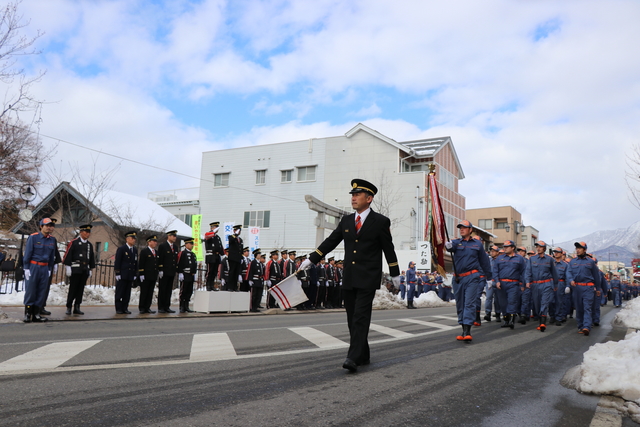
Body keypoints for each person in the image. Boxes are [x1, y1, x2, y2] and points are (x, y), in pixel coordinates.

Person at [300, 179, 400, 372]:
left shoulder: (380, 221)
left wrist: (395, 273)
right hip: (350, 277)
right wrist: (312, 259)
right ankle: (363, 354)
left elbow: (389, 249)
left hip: (368, 278)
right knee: (351, 318)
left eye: (357, 195)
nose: (353, 198)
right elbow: (331, 241)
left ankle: (352, 357)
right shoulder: (346, 220)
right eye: (352, 195)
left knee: (360, 317)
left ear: (369, 198)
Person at [445, 220, 492, 342]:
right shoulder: (456, 243)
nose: (461, 229)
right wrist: (447, 246)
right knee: (460, 304)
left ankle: (467, 330)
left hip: (472, 277)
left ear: (470, 229)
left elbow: (484, 262)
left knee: (469, 303)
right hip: (458, 278)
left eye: (464, 227)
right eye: (460, 227)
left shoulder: (477, 244)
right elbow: (449, 248)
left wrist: (489, 277)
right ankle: (463, 327)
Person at [22, 218, 59, 323]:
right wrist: (26, 268)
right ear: (41, 226)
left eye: (51, 225)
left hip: (45, 267)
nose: (49, 227)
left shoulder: (52, 239)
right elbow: (28, 253)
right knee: (31, 290)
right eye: (47, 225)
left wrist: (51, 267)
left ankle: (36, 314)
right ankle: (28, 313)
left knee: (42, 291)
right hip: (34, 266)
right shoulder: (33, 237)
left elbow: (52, 255)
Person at [566, 242, 601, 336]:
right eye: (576, 248)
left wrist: (598, 288)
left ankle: (587, 327)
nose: (577, 249)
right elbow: (568, 273)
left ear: (585, 250)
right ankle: (581, 326)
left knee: (587, 307)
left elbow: (596, 276)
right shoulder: (572, 261)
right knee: (579, 308)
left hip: (588, 287)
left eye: (580, 248)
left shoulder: (590, 262)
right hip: (577, 287)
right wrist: (570, 280)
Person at [525, 241, 558, 332]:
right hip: (535, 284)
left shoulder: (549, 259)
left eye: (540, 247)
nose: (538, 248)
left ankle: (543, 323)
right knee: (537, 304)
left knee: (544, 302)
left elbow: (554, 273)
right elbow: (528, 271)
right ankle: (540, 321)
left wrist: (555, 284)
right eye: (537, 247)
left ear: (544, 248)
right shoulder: (532, 259)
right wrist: (527, 281)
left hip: (546, 284)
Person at [63, 224, 96, 315]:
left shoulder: (89, 245)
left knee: (80, 289)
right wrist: (68, 267)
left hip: (84, 269)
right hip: (75, 269)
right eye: (86, 232)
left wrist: (90, 269)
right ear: (81, 232)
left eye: (89, 232)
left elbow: (91, 257)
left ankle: (77, 306)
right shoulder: (74, 242)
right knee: (73, 288)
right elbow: (68, 254)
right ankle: (69, 306)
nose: (88, 234)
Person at [494, 240, 526, 329]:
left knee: (512, 302)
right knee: (503, 304)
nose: (505, 248)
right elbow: (495, 271)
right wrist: (497, 281)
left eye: (507, 247)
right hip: (501, 284)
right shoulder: (499, 258)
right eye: (504, 246)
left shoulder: (519, 258)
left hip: (513, 284)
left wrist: (522, 284)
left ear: (513, 248)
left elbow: (523, 272)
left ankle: (512, 321)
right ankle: (506, 320)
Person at [114, 230, 138, 314]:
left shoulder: (134, 250)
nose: (134, 240)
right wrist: (117, 272)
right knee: (120, 292)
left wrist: (135, 273)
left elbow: (135, 262)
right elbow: (118, 261)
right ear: (127, 239)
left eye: (134, 238)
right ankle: (119, 308)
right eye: (132, 238)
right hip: (123, 274)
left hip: (130, 274)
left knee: (127, 293)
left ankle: (125, 307)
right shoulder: (122, 249)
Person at [157, 230, 179, 313]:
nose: (174, 237)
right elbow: (161, 258)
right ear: (168, 236)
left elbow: (175, 260)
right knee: (163, 289)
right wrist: (160, 269)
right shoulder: (163, 246)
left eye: (175, 236)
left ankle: (167, 306)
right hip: (164, 271)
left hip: (171, 271)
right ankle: (161, 307)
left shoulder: (175, 247)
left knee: (169, 290)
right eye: (173, 236)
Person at [137, 235, 159, 314]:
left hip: (153, 276)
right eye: (153, 241)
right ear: (149, 242)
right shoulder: (144, 251)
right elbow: (142, 263)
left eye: (156, 241)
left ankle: (147, 307)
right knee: (144, 292)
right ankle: (142, 307)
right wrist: (141, 273)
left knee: (150, 292)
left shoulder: (156, 252)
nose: (155, 243)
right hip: (146, 275)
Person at [177, 238, 197, 313]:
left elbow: (194, 264)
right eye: (190, 244)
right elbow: (179, 263)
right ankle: (181, 306)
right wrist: (180, 272)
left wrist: (194, 272)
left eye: (192, 244)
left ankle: (186, 306)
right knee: (183, 291)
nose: (192, 246)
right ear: (186, 244)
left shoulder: (193, 254)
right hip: (185, 274)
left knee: (189, 291)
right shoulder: (182, 253)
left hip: (191, 275)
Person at [203, 222, 224, 291]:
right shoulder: (209, 234)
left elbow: (220, 246)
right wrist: (213, 231)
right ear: (212, 227)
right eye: (215, 227)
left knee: (214, 272)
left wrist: (223, 253)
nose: (217, 229)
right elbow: (206, 236)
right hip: (211, 255)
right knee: (210, 272)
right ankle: (208, 285)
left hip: (216, 256)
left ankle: (212, 285)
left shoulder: (217, 237)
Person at [484, 245, 501, 322]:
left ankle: (498, 314)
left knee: (497, 299)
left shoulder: (500, 260)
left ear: (497, 252)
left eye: (494, 251)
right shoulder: (489, 260)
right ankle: (488, 314)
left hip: (498, 282)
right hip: (490, 281)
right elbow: (486, 270)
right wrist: (487, 279)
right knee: (488, 298)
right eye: (491, 251)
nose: (492, 252)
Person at [226, 225, 244, 292]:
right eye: (237, 230)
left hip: (238, 258)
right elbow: (231, 240)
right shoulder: (231, 237)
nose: (239, 232)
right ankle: (230, 287)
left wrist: (241, 257)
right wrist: (235, 234)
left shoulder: (240, 239)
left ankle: (235, 286)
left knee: (236, 272)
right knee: (232, 272)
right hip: (233, 258)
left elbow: (241, 249)